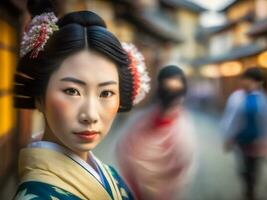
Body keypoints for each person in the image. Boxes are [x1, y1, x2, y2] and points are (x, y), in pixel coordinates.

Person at [13, 0, 150, 199]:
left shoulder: (109, 174)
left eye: (106, 93)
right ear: (39, 96)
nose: (91, 115)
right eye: (72, 91)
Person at [116, 65, 197, 200]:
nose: (171, 97)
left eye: (175, 91)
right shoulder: (141, 122)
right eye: (167, 90)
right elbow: (124, 150)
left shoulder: (183, 130)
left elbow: (184, 168)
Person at [221, 67, 267, 200]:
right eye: (245, 79)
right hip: (241, 140)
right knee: (243, 167)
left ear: (258, 82)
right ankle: (248, 189)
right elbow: (230, 119)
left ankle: (250, 192)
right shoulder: (236, 97)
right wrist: (227, 137)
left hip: (258, 140)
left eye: (251, 80)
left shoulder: (263, 98)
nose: (247, 82)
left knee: (254, 167)